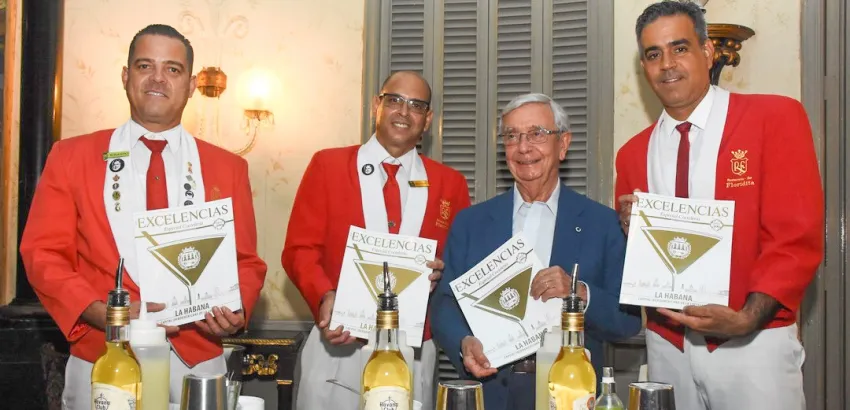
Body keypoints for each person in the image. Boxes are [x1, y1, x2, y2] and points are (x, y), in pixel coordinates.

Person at [19, 24, 267, 408]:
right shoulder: (71, 157)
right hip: (104, 355)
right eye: (144, 65)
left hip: (197, 358)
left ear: (191, 85)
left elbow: (245, 261)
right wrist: (101, 312)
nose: (157, 78)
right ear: (125, 76)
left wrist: (236, 310)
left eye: (172, 69)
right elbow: (43, 253)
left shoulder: (228, 167)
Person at [615, 2, 824, 409]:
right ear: (644, 66)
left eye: (679, 48)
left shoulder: (774, 118)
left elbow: (795, 238)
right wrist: (633, 231)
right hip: (667, 346)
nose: (667, 64)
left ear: (707, 51)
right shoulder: (631, 155)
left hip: (754, 344)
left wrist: (747, 318)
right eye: (654, 54)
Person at [431, 92, 642, 410]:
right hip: (491, 392)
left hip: (572, 393)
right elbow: (444, 304)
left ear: (563, 144)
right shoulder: (471, 222)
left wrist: (579, 292)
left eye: (536, 134)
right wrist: (463, 342)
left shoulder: (602, 224)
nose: (523, 147)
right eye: (512, 136)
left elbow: (627, 321)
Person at [282, 71, 471, 410]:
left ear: (427, 120)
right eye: (394, 100)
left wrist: (442, 272)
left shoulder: (450, 183)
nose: (404, 111)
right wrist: (324, 295)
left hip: (413, 347)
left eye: (416, 105)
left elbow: (460, 269)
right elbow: (300, 249)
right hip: (339, 342)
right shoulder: (328, 165)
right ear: (376, 106)